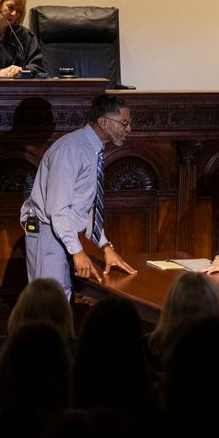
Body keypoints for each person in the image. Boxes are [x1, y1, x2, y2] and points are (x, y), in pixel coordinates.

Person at [20, 93, 137, 298]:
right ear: (103, 122)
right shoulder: (70, 150)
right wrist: (77, 251)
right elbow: (57, 209)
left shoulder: (92, 150)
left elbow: (86, 205)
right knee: (48, 301)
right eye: (124, 122)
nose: (129, 128)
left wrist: (105, 246)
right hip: (47, 230)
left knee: (60, 297)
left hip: (63, 232)